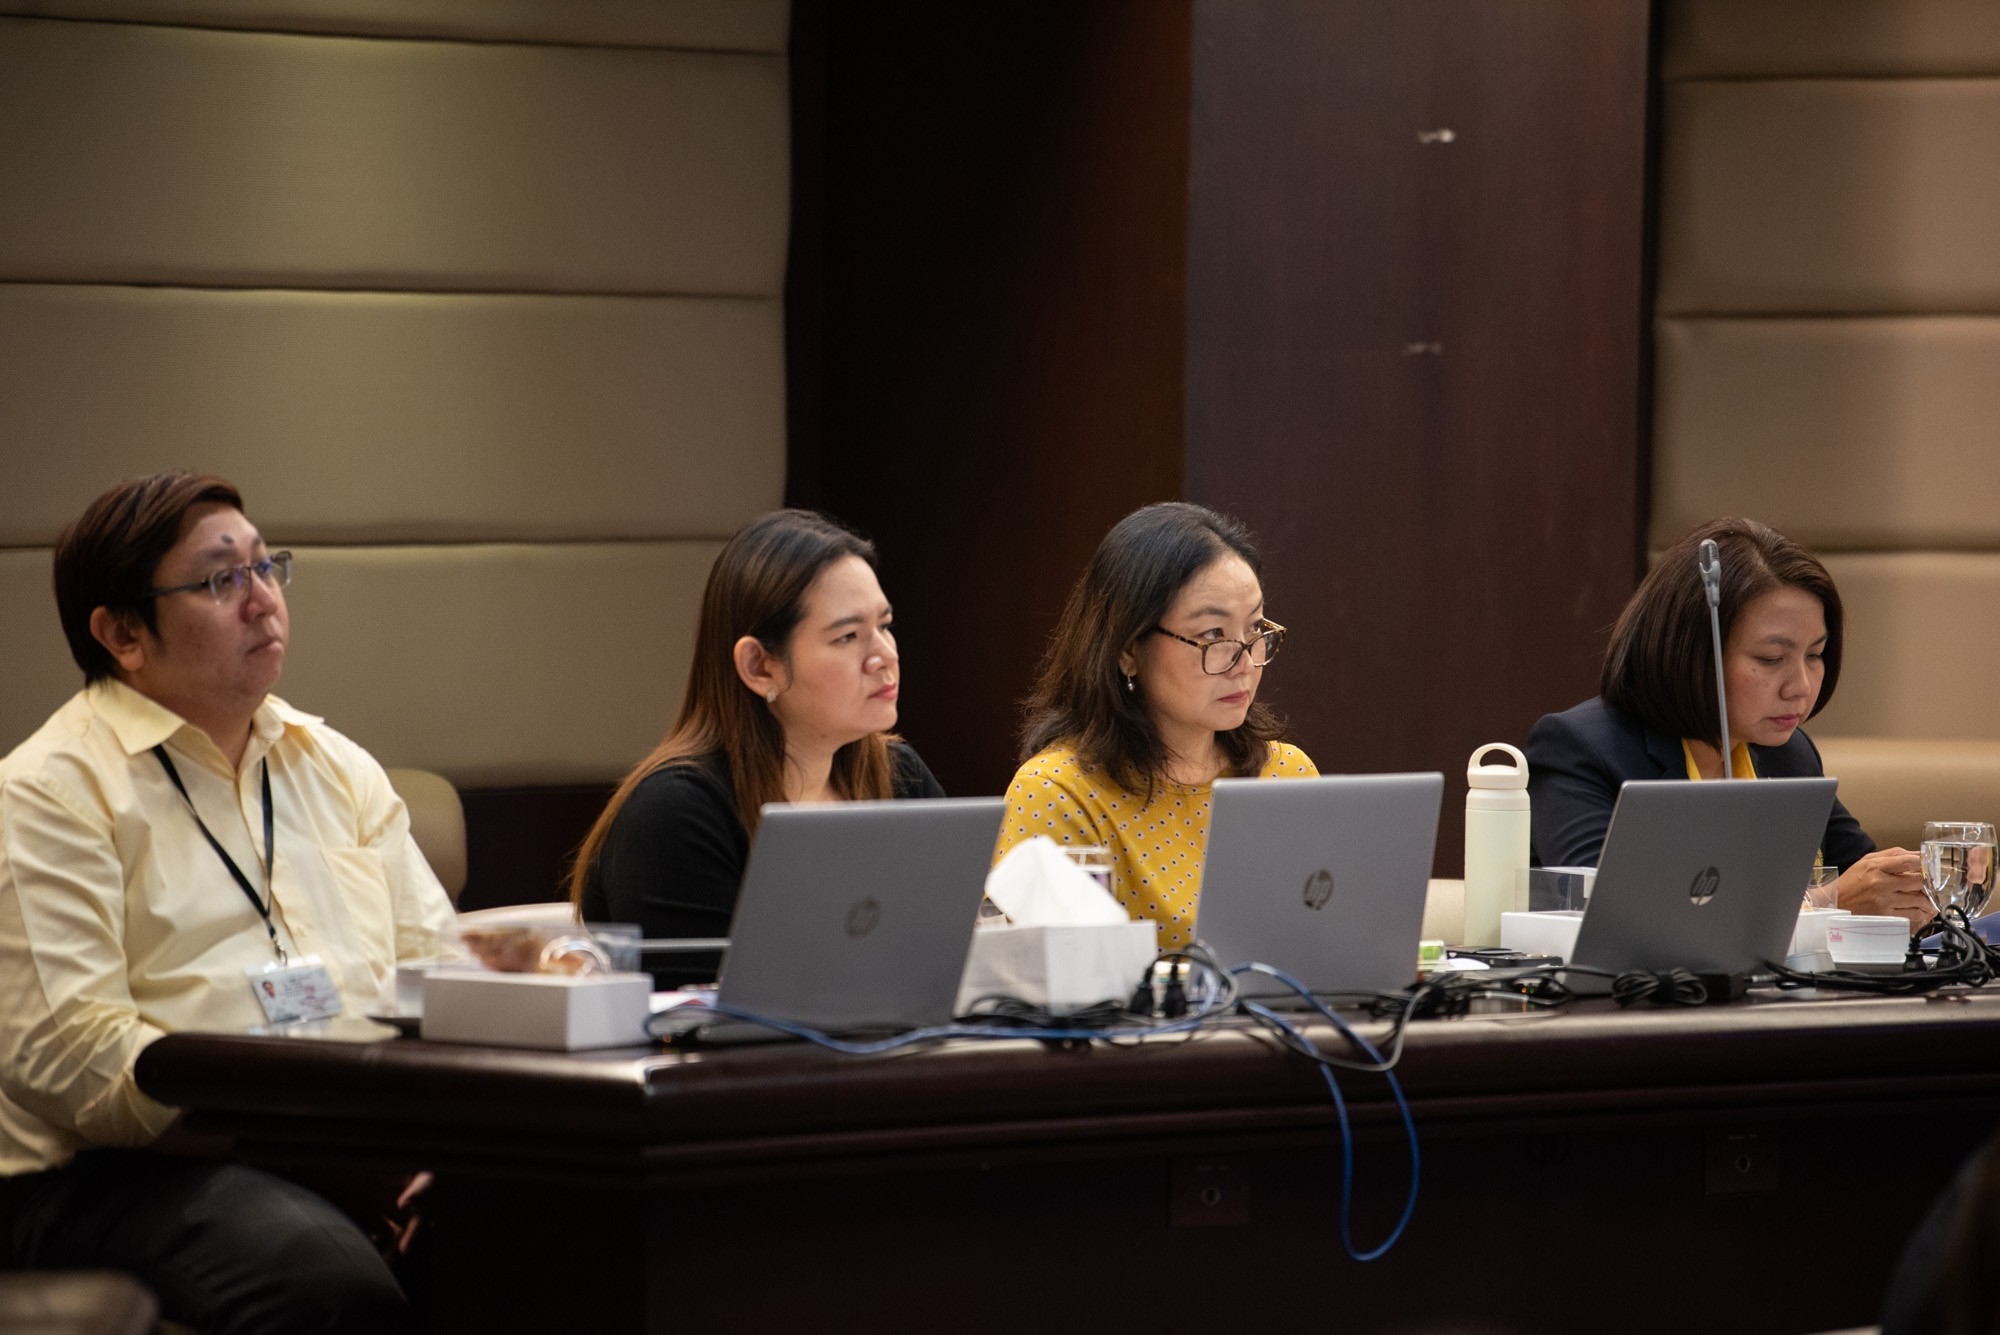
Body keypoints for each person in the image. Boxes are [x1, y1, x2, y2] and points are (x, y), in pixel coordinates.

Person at [0, 472, 459, 1334]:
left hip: (343, 1139)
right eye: (221, 580)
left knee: (544, 1229)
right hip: (113, 1174)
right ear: (123, 633)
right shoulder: (51, 791)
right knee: (326, 1282)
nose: (262, 601)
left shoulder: (333, 766)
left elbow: (438, 975)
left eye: (267, 567)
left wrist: (431, 1145)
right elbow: (77, 1060)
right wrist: (304, 1147)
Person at [572, 510, 943, 987]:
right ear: (759, 666)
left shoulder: (900, 775)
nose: (885, 656)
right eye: (848, 636)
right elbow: (704, 1020)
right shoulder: (674, 813)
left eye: (885, 626)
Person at [1525, 516, 1927, 926]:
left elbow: (1867, 882)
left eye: (1815, 655)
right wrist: (1824, 904)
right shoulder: (1580, 750)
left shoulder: (1788, 754)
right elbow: (1616, 921)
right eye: (1771, 659)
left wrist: (1908, 893)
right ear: (1690, 653)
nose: (1801, 686)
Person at [994, 503, 1318, 949]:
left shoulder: (1287, 775)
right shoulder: (1057, 792)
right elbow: (1060, 987)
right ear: (1128, 648)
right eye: (1213, 637)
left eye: (1255, 628)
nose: (1244, 662)